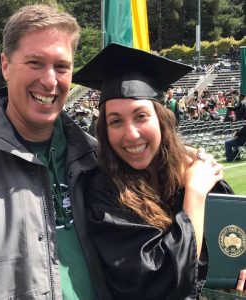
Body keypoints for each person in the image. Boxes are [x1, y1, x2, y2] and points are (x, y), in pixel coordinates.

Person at [0, 4, 111, 300]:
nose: (49, 80)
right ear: (6, 65)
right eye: (35, 63)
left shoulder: (92, 156)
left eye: (61, 67)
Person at [73, 43, 232, 299]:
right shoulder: (103, 195)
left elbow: (232, 236)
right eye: (115, 121)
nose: (131, 134)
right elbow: (157, 283)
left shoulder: (193, 168)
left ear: (161, 119)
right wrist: (194, 194)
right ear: (104, 129)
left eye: (141, 116)